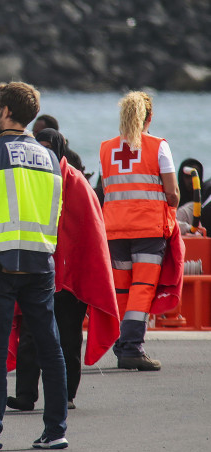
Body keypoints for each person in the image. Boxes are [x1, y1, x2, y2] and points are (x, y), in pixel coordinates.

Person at [0, 82, 68, 451]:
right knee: (50, 348)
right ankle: (55, 431)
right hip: (40, 262)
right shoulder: (50, 157)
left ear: (6, 111)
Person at [7, 128, 119, 412]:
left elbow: (91, 237)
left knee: (68, 339)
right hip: (37, 273)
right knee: (30, 338)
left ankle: (67, 395)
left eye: (48, 147)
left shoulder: (78, 184)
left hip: (70, 281)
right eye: (39, 147)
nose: (44, 152)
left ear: (59, 149)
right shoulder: (27, 181)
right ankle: (25, 396)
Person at [99, 91, 180, 371]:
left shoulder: (106, 148)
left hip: (114, 230)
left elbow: (106, 189)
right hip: (147, 229)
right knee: (142, 288)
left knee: (121, 289)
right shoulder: (158, 146)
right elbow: (172, 193)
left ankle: (122, 344)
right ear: (150, 117)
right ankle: (132, 347)